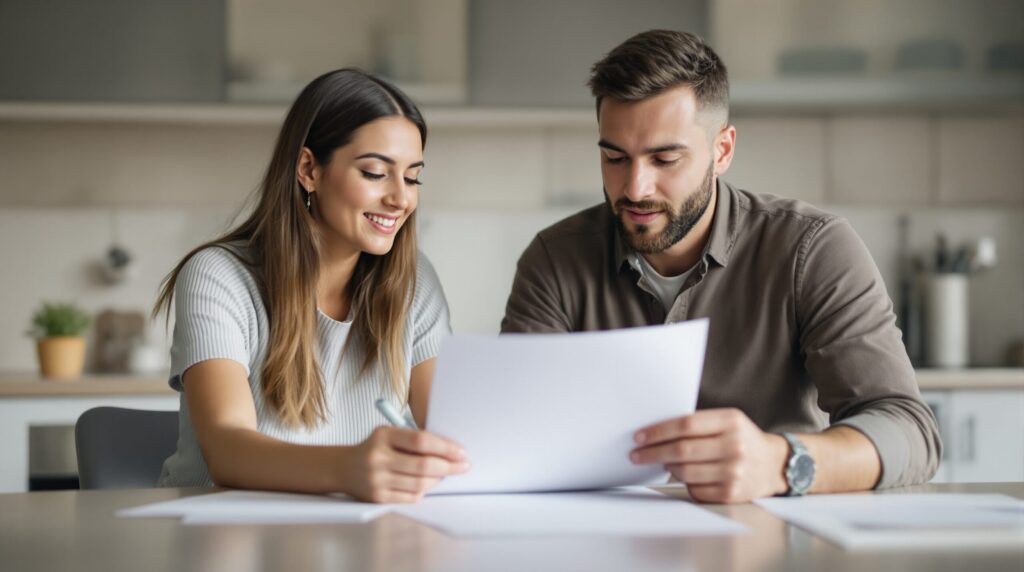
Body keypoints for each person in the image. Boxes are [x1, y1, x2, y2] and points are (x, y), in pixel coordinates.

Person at [501, 30, 941, 503]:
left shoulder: (812, 248)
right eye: (614, 157)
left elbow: (910, 431)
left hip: (776, 540)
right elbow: (513, 433)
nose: (636, 187)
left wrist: (779, 462)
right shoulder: (554, 259)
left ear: (723, 150)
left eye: (665, 158)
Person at [154, 69, 468, 503]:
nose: (401, 198)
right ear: (308, 169)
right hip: (226, 537)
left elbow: (454, 434)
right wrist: (349, 468)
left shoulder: (414, 281)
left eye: (413, 177)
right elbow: (227, 448)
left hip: (357, 537)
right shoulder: (219, 276)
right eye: (376, 173)